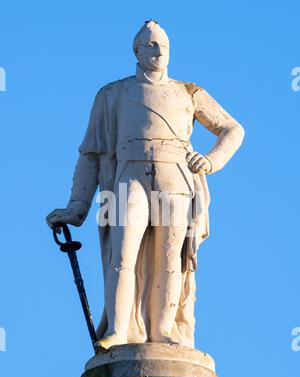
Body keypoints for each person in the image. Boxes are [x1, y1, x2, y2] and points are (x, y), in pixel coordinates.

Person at [46, 21, 245, 349]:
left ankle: (164, 330)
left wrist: (211, 161)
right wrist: (76, 208)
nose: (159, 51)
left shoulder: (188, 92)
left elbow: (232, 129)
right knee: (122, 253)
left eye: (164, 45)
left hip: (175, 177)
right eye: (151, 45)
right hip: (129, 174)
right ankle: (119, 330)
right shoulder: (112, 94)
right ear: (136, 51)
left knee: (171, 257)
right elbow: (91, 154)